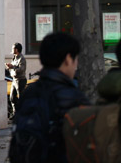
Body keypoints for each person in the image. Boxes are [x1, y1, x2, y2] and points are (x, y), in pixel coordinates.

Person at [9, 32, 89, 163]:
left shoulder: (29, 93)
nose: (75, 66)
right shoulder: (75, 98)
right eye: (76, 60)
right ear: (68, 59)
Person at [5, 42, 27, 119]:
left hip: (20, 80)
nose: (12, 49)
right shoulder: (14, 57)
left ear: (17, 49)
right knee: (12, 97)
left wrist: (13, 66)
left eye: (13, 48)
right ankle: (15, 113)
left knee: (21, 98)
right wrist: (9, 67)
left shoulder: (22, 59)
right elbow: (12, 67)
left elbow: (21, 69)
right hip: (14, 80)